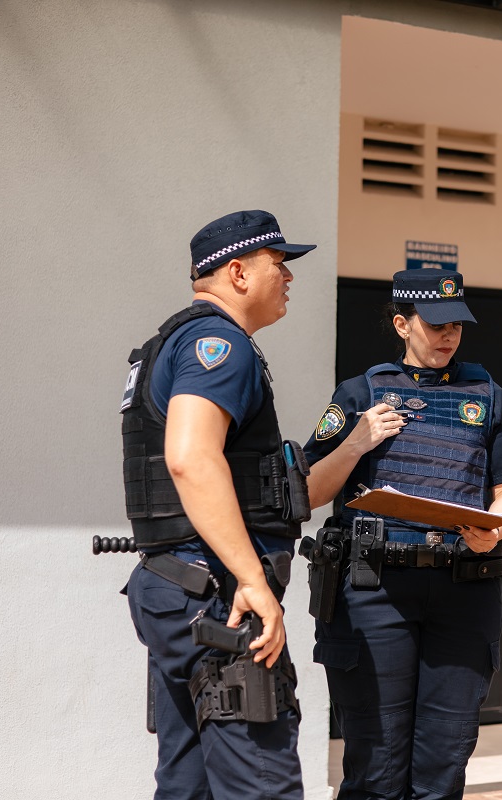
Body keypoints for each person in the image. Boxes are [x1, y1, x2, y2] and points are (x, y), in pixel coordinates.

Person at [302, 268, 502, 800]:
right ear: (401, 324)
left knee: (443, 765)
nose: (448, 334)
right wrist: (356, 443)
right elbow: (313, 490)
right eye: (435, 324)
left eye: (456, 323)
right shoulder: (360, 392)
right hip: (376, 591)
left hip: (463, 589)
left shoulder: (487, 395)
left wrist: (495, 529)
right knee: (376, 765)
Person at [118, 210, 316, 800]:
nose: (288, 278)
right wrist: (251, 579)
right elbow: (191, 457)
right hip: (217, 602)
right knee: (261, 785)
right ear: (237, 272)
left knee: (190, 783)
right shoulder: (220, 345)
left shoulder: (170, 343)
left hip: (177, 590)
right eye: (278, 265)